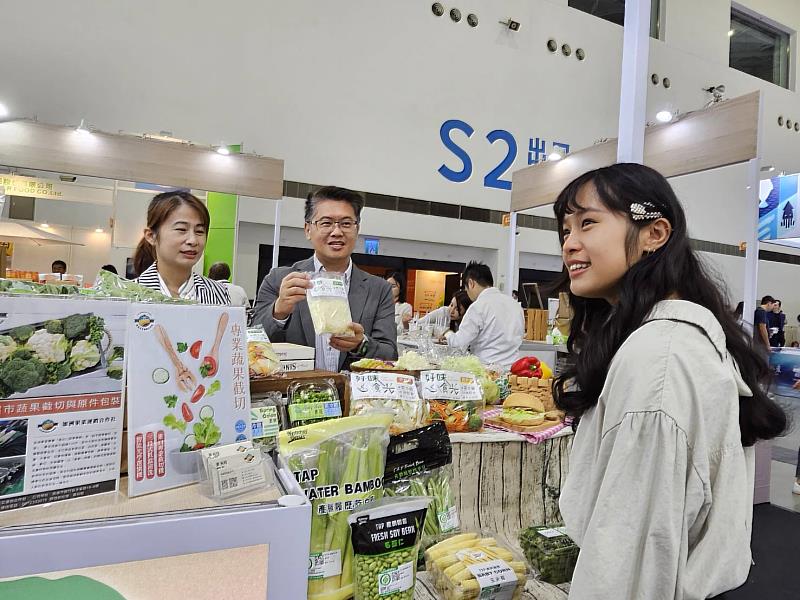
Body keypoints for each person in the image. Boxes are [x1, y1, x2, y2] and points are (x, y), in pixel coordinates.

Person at [552, 163, 787, 599]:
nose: (570, 244)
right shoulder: (671, 340)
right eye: (565, 229)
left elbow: (629, 561)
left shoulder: (657, 362)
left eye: (587, 223)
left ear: (654, 234)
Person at [253, 186, 397, 370]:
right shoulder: (280, 280)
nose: (337, 232)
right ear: (308, 229)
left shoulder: (378, 289)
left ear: (357, 229)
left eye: (346, 223)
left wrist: (361, 344)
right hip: (292, 395)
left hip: (352, 396)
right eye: (326, 223)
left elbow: (390, 354)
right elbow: (252, 343)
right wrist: (278, 312)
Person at [131, 191, 230, 304]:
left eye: (199, 231)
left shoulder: (219, 293)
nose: (193, 241)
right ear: (151, 236)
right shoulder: (127, 293)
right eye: (181, 229)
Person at [443, 261, 524, 368]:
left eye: (466, 289)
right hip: (513, 371)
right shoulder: (516, 306)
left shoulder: (478, 307)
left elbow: (458, 344)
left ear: (471, 283)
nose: (467, 293)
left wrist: (446, 333)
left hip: (486, 372)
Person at [385, 271, 412, 335]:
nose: (389, 289)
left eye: (393, 286)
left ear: (401, 289)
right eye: (387, 285)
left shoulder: (405, 307)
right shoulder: (380, 304)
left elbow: (403, 331)